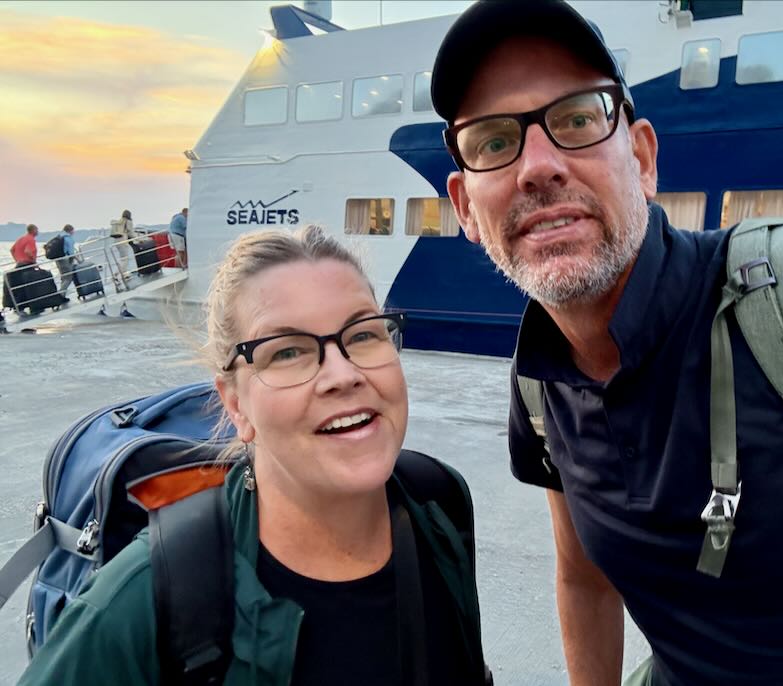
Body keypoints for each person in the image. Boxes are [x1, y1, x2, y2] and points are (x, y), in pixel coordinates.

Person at [432, 1, 783, 684]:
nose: (537, 165)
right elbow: (584, 578)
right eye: (494, 141)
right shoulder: (541, 385)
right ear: (467, 207)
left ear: (644, 158)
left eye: (577, 119)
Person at [18, 225, 489, 686]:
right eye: (286, 353)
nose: (342, 375)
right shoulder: (146, 596)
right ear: (236, 404)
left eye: (364, 335)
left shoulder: (438, 505)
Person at [110, 209, 136, 288]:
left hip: (116, 241)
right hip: (123, 241)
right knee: (125, 259)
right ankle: (117, 275)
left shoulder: (119, 222)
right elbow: (130, 232)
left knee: (122, 259)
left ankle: (119, 274)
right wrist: (138, 239)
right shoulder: (127, 222)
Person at [53, 224, 78, 299]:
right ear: (71, 230)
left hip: (58, 260)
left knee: (64, 277)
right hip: (65, 260)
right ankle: (60, 294)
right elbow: (71, 253)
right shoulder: (68, 238)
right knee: (68, 278)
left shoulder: (59, 236)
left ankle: (62, 295)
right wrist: (78, 260)